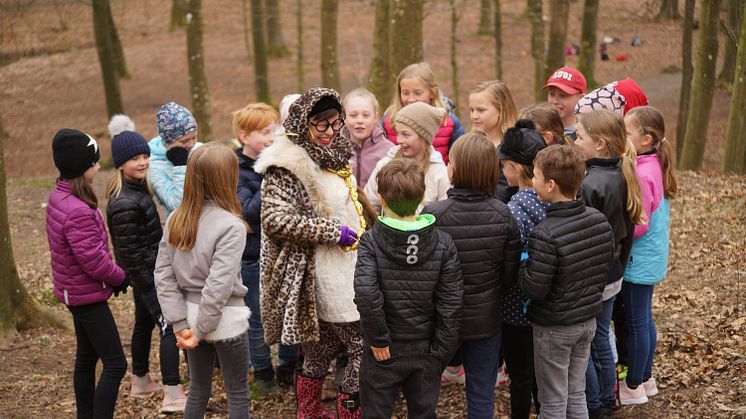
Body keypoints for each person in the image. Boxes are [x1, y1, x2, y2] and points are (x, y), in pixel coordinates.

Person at [254, 88, 366, 419]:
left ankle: (309, 413)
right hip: (320, 272)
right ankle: (349, 415)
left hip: (345, 266)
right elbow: (274, 220)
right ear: (304, 123)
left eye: (336, 123)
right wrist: (333, 232)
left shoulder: (333, 153)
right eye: (322, 125)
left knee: (321, 348)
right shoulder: (287, 165)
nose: (331, 132)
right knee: (361, 346)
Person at [354, 158, 463, 419]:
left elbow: (367, 294)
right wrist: (440, 351)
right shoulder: (443, 243)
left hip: (385, 350)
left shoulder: (370, 241)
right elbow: (452, 304)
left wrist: (379, 339)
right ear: (422, 195)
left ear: (382, 198)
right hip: (425, 349)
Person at [424, 132, 521, 418]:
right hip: (485, 319)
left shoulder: (433, 214)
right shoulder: (503, 215)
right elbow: (509, 271)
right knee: (481, 393)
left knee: (425, 389)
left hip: (442, 319)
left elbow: (426, 271)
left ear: (456, 169)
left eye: (450, 161)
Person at [154, 144, 251, 419]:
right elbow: (219, 285)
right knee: (237, 393)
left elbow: (163, 274)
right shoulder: (232, 225)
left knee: (197, 390)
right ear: (228, 179)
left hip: (191, 314)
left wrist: (181, 324)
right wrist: (197, 329)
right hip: (225, 317)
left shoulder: (175, 219)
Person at [519, 145, 615, 419]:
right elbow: (605, 265)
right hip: (587, 322)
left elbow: (535, 288)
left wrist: (523, 264)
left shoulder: (544, 233)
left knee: (552, 401)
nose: (532, 181)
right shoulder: (599, 220)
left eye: (535, 176)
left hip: (555, 328)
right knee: (576, 392)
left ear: (550, 185)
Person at [104, 116, 186, 413]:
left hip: (147, 273)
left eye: (145, 156)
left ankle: (140, 381)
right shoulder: (125, 200)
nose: (143, 162)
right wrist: (153, 283)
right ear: (121, 164)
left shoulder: (137, 189)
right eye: (135, 158)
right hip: (148, 275)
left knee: (143, 323)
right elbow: (129, 252)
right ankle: (173, 393)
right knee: (169, 327)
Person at [47, 129, 130, 419]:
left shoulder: (60, 195)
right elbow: (93, 261)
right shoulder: (77, 210)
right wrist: (120, 277)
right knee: (116, 364)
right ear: (82, 167)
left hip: (75, 292)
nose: (98, 166)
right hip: (86, 297)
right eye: (94, 162)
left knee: (86, 358)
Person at [575, 110, 645, 418]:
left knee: (589, 342)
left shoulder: (590, 185)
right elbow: (625, 236)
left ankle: (597, 401)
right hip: (613, 272)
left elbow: (585, 239)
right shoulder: (621, 171)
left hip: (595, 279)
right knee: (601, 335)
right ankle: (608, 397)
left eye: (579, 137)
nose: (574, 141)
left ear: (600, 144)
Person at [231, 103, 299, 391]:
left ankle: (287, 365)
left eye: (274, 131)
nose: (272, 137)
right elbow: (247, 211)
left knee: (288, 310)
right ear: (245, 137)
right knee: (256, 316)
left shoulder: (280, 161)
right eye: (264, 132)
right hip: (251, 257)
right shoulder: (237, 169)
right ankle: (261, 372)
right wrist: (271, 177)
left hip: (284, 251)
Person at [619, 106, 677, 405]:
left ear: (646, 139)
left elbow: (639, 225)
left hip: (639, 258)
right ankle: (645, 378)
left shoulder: (641, 172)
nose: (622, 137)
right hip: (651, 257)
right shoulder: (653, 164)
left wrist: (619, 229)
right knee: (644, 319)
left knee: (636, 323)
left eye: (627, 133)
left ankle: (632, 386)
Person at [498, 120, 549, 419]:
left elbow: (508, 259)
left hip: (516, 309)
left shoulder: (515, 208)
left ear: (516, 168)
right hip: (547, 305)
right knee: (541, 374)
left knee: (519, 374)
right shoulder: (551, 197)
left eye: (504, 165)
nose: (502, 172)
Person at [365, 102, 450, 214]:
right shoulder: (386, 164)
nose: (399, 140)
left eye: (406, 134)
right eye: (398, 134)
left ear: (424, 136)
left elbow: (446, 212)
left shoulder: (439, 173)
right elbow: (369, 204)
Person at [381, 62, 464, 164]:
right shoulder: (388, 122)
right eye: (405, 93)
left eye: (418, 93)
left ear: (432, 93)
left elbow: (459, 161)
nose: (411, 99)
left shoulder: (449, 122)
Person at [148, 101, 204, 219]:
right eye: (184, 141)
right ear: (167, 140)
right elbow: (177, 205)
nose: (191, 144)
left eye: (194, 137)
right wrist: (180, 165)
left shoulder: (199, 149)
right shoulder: (154, 166)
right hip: (183, 228)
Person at [468, 80, 519, 203]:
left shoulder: (514, 145)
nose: (474, 116)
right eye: (471, 110)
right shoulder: (470, 143)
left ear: (501, 110)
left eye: (481, 110)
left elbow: (506, 189)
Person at [341, 88, 394, 188]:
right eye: (353, 115)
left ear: (375, 118)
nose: (360, 120)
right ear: (344, 117)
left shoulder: (389, 151)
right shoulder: (334, 148)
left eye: (366, 115)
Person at [544, 67, 587, 140]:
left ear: (581, 98)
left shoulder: (587, 135)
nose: (555, 101)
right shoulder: (540, 128)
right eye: (552, 94)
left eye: (563, 96)